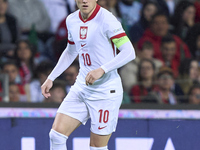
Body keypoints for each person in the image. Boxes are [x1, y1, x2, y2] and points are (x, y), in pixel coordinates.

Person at [41, 1, 136, 150]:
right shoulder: (71, 20)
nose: (85, 0)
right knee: (56, 135)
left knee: (96, 147)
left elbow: (129, 52)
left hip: (105, 92)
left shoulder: (107, 19)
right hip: (81, 87)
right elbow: (71, 51)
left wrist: (102, 69)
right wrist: (51, 77)